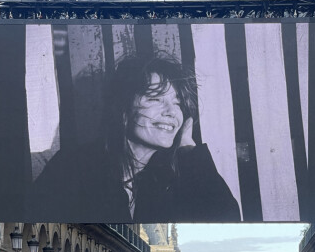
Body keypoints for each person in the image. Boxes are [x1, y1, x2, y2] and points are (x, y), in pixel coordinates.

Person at [33, 55, 241, 222]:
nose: (172, 112)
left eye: (177, 103)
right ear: (122, 107)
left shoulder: (171, 176)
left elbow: (227, 218)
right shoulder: (74, 166)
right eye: (155, 98)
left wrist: (188, 148)